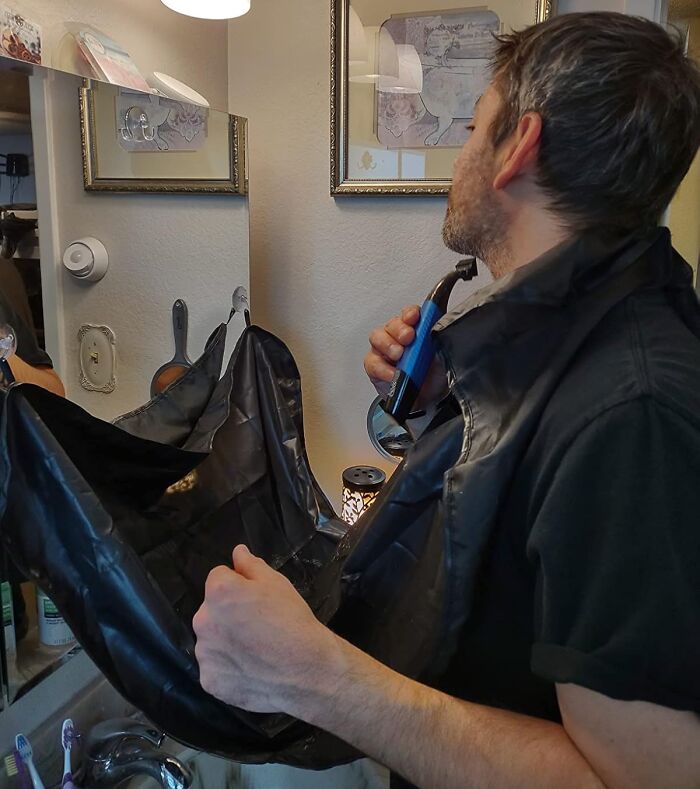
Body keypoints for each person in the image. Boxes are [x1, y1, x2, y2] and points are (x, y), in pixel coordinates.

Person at [193, 13, 700, 789]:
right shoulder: (566, 336)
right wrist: (440, 408)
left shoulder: (635, 411)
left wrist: (313, 675)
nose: (460, 152)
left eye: (472, 126)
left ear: (519, 146)